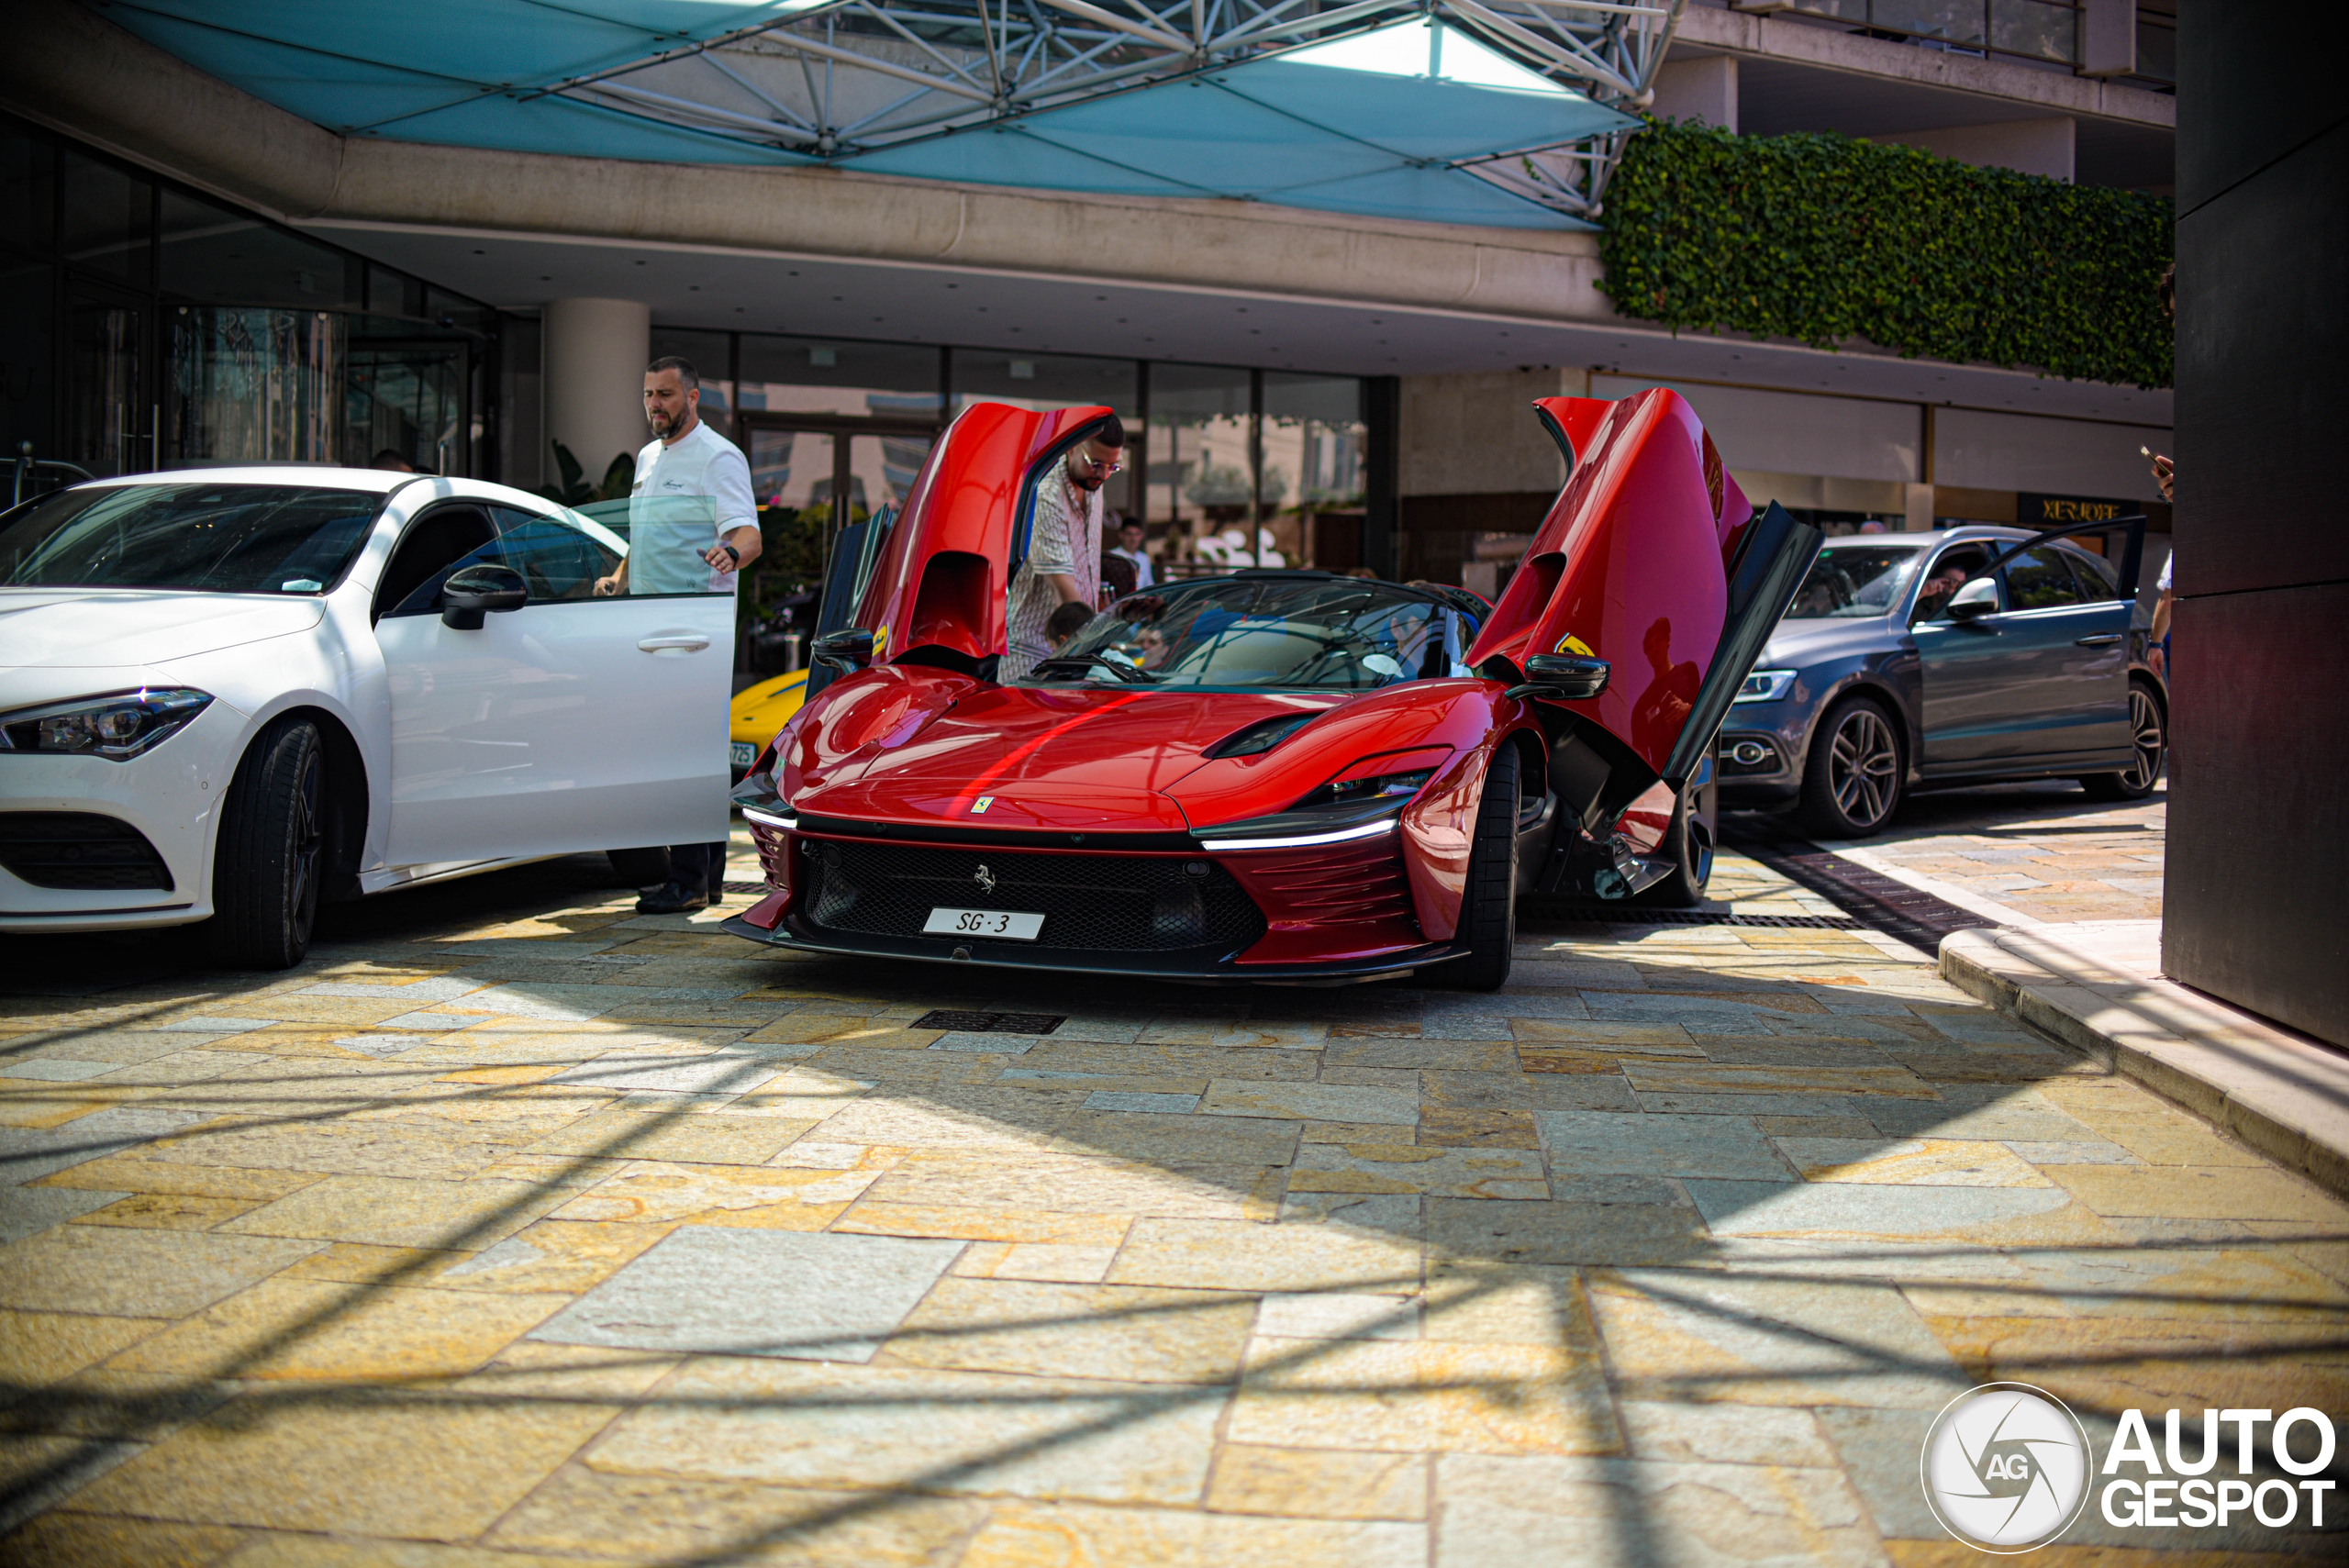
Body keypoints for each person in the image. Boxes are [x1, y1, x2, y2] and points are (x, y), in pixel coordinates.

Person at [595, 356, 763, 915]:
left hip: (694, 633)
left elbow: (749, 534)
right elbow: (646, 533)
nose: (654, 405)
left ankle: (688, 879)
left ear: (692, 397)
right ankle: (704, 878)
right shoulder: (648, 457)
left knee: (687, 753)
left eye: (665, 395)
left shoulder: (718, 456)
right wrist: (618, 577)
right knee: (674, 750)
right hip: (650, 628)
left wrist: (731, 551)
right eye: (648, 395)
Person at [1003, 418, 1124, 680]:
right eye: (1095, 464)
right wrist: (1096, 647)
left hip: (1076, 643)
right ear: (1071, 448)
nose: (1103, 475)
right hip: (1036, 654)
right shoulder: (1047, 496)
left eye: (1112, 467)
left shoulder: (1091, 484)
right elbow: (1064, 593)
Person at [1109, 517, 1156, 589]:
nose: (1133, 539)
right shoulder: (1112, 556)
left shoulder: (1144, 558)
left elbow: (1149, 585)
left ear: (1141, 536)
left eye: (1137, 534)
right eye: (1129, 534)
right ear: (1121, 535)